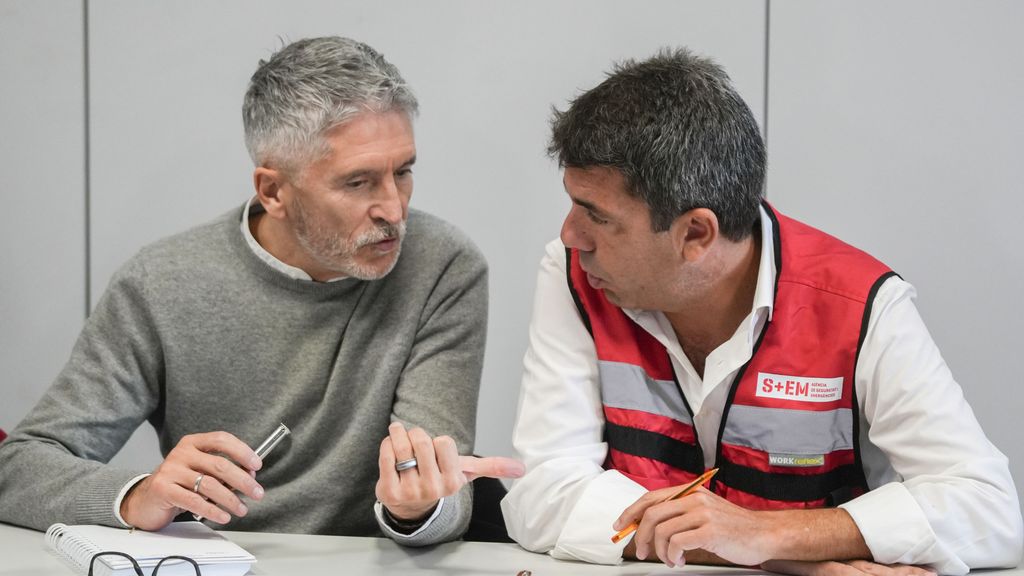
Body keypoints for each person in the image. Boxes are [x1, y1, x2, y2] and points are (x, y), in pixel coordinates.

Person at [501, 48, 1022, 574]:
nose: (571, 234)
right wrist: (776, 556)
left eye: (597, 216)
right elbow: (540, 496)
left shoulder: (859, 303)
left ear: (696, 234)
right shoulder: (576, 274)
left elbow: (990, 509)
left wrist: (768, 533)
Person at [0, 36, 521, 546]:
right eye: (357, 182)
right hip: (217, 561)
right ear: (273, 191)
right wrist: (137, 495)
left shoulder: (443, 265)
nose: (394, 209)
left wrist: (420, 507)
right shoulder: (160, 283)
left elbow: (444, 493)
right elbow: (19, 467)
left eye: (403, 172)